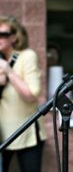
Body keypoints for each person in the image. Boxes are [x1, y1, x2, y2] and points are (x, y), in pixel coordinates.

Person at [0, 15, 46, 172]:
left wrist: (9, 72)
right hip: (1, 133)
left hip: (25, 133)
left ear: (13, 37)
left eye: (3, 34)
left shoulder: (26, 56)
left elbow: (32, 94)